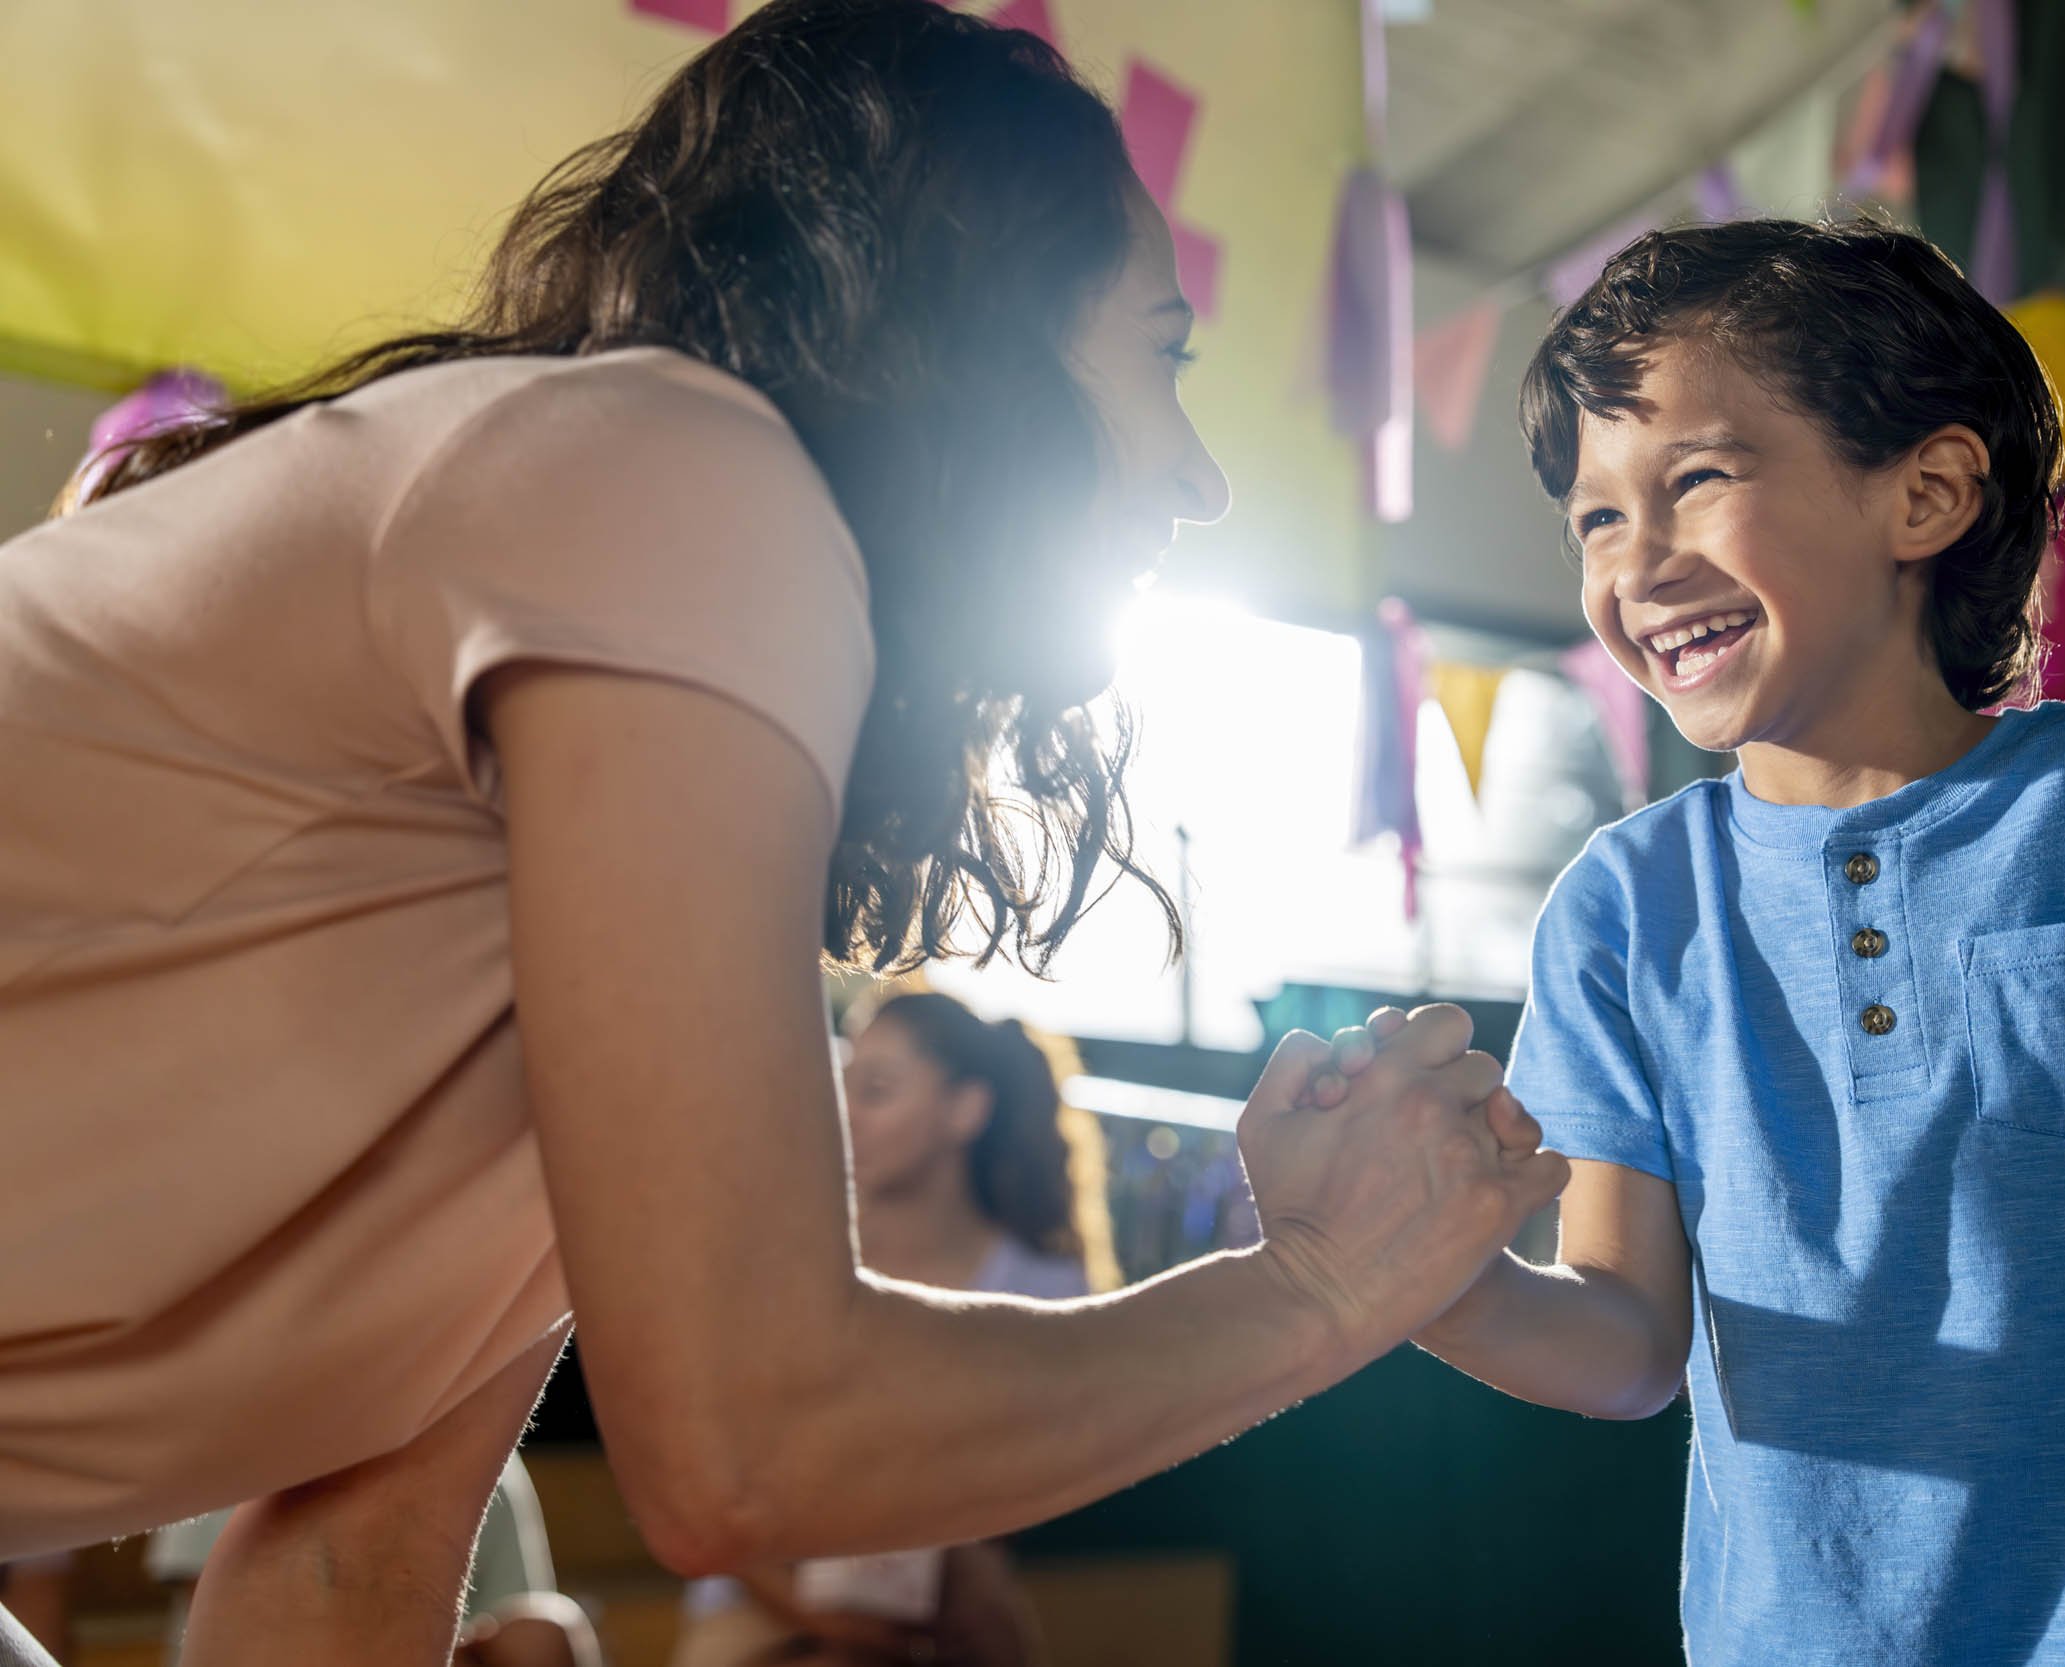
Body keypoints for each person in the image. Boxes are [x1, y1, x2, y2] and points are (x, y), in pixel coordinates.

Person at [0, 4, 1569, 1663]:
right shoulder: (674, 464)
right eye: (1160, 356)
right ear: (969, 326)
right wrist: (1321, 1286)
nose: (1200, 480)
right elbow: (747, 1444)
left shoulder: (590, 866)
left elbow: (344, 1576)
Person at [1355, 219, 2065, 1663]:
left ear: (1925, 493)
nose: (1638, 559)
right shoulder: (1624, 904)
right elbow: (1622, 1337)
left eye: (1697, 479)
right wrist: (1424, 1278)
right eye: (1597, 517)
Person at [671, 992, 1109, 1667]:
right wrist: (819, 1615)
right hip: (762, 1587)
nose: (844, 1113)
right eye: (840, 1083)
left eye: (875, 1090)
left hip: (951, 1597)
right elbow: (708, 1472)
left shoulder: (1043, 1283)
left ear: (965, 1109)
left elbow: (1046, 1483)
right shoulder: (784, 1258)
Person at [148, 1457, 600, 1667]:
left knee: (544, 1631)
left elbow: (527, 1635)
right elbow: (223, 1627)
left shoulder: (493, 1470)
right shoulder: (251, 1444)